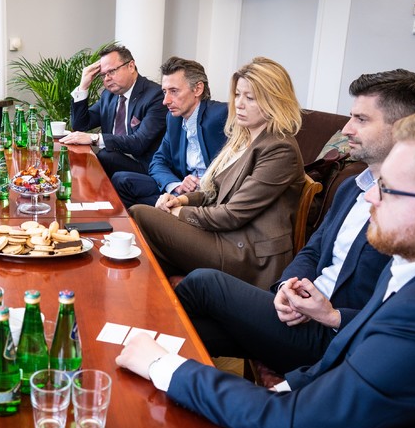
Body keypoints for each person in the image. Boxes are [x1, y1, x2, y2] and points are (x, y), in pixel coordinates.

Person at [117, 111, 415, 428]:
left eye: (389, 188)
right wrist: (286, 382)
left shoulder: (414, 316)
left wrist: (165, 367)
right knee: (196, 329)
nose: (370, 196)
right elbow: (329, 361)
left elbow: (291, 420)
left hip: (305, 356)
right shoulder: (404, 266)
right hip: (313, 333)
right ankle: (137, 355)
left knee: (196, 295)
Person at [175, 69, 415, 374]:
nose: (346, 129)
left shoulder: (411, 212)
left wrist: (333, 315)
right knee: (195, 331)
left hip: (333, 336)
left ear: (401, 129)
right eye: (351, 117)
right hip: (298, 314)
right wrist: (287, 286)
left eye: (361, 119)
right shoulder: (352, 188)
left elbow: (395, 311)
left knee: (203, 282)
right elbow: (312, 250)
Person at [130, 57, 304, 288]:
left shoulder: (280, 148)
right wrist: (180, 199)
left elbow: (233, 214)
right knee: (149, 236)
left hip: (247, 254)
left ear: (274, 100)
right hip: (225, 238)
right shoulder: (243, 139)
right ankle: (161, 296)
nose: (239, 104)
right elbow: (214, 191)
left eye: (250, 97)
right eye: (237, 95)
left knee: (140, 213)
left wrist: (178, 212)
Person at [112, 57, 227, 208]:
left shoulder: (221, 114)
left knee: (139, 209)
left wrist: (204, 183)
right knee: (121, 180)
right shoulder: (174, 119)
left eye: (174, 91)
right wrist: (177, 186)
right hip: (181, 191)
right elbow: (158, 162)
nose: (165, 101)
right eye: (165, 92)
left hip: (208, 198)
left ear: (198, 89)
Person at [60, 44, 166, 178]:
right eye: (103, 75)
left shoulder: (155, 96)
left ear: (131, 66)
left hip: (145, 165)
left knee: (104, 156)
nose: (107, 78)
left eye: (112, 71)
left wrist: (94, 138)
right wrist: (83, 86)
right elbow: (80, 125)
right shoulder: (109, 95)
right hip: (115, 159)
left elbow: (139, 142)